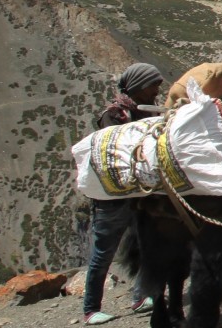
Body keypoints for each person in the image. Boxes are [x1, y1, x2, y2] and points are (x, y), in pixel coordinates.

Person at [80, 63, 166, 325]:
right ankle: (91, 309)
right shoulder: (114, 115)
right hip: (112, 199)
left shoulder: (144, 113)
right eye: (153, 86)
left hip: (139, 194)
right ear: (139, 86)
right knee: (103, 253)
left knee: (144, 244)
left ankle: (141, 296)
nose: (156, 92)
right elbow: (114, 150)